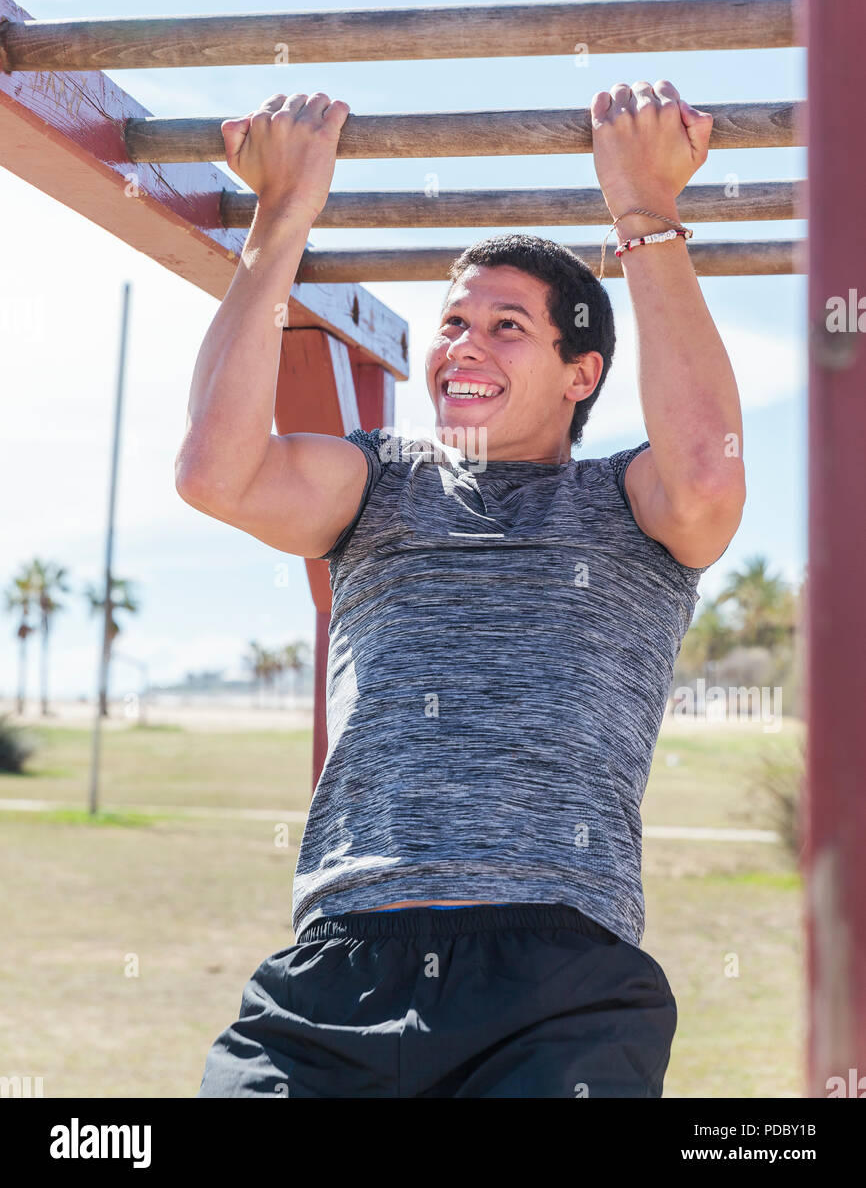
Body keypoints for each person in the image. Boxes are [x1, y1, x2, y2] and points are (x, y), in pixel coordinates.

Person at [177, 80, 745, 1098]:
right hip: (341, 963)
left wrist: (645, 214)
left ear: (582, 372)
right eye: (452, 323)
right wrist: (281, 217)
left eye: (507, 326)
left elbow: (707, 470)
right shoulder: (376, 479)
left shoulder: (631, 502)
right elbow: (215, 474)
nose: (462, 345)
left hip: (557, 971)